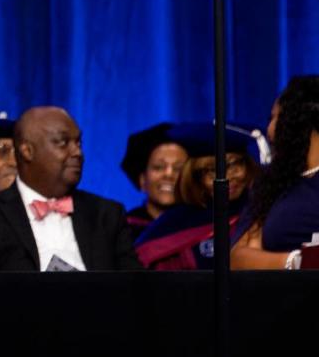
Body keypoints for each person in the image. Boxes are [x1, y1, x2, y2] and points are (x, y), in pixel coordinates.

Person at [0, 106, 142, 271]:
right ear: (27, 151)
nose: (77, 152)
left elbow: (136, 292)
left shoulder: (106, 214)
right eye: (63, 143)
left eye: (78, 143)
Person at [135, 124, 260, 270]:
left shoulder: (261, 212)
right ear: (196, 177)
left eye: (234, 164)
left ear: (248, 166)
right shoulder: (173, 225)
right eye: (212, 170)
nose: (227, 176)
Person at [232, 76, 319, 270]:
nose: (269, 130)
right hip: (278, 293)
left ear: (296, 122)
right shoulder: (272, 183)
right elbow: (238, 256)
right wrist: (295, 261)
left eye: (274, 118)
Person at [120, 123, 189, 240]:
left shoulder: (203, 228)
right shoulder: (122, 230)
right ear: (142, 180)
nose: (168, 174)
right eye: (158, 167)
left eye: (178, 169)